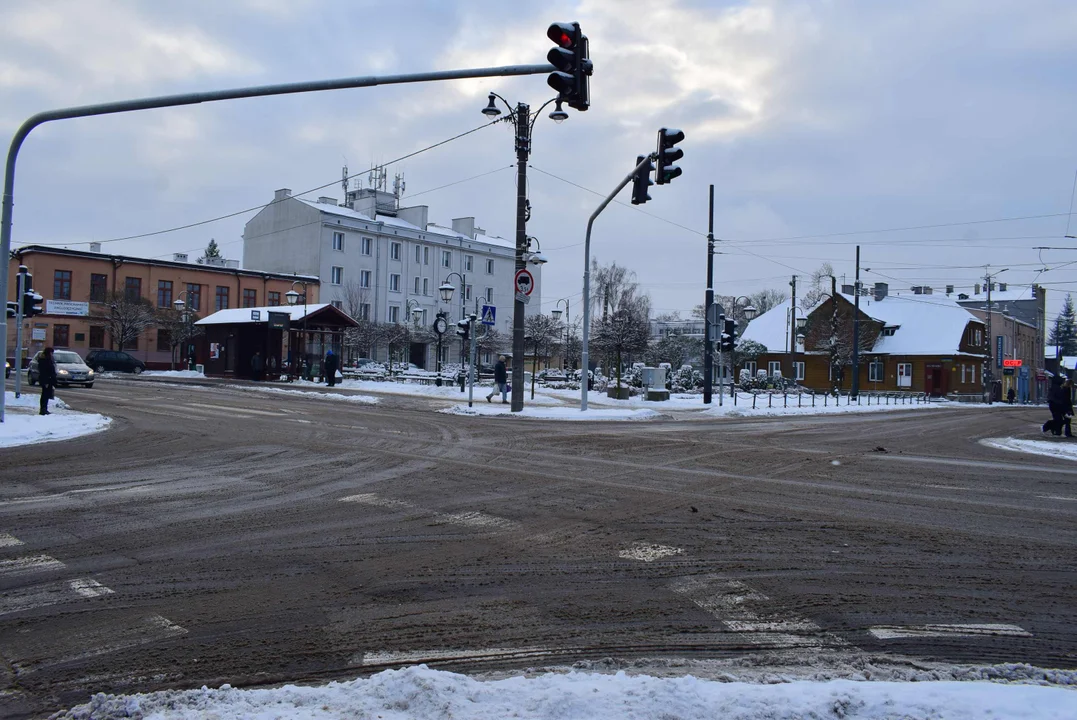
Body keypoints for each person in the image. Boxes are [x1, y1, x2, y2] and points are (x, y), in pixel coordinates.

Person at [38, 346, 57, 416]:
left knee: (46, 394)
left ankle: (44, 408)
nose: (52, 354)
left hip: (49, 380)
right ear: (49, 353)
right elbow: (44, 372)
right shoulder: (44, 360)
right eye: (51, 352)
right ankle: (43, 409)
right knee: (45, 395)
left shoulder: (48, 359)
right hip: (46, 380)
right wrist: (46, 381)